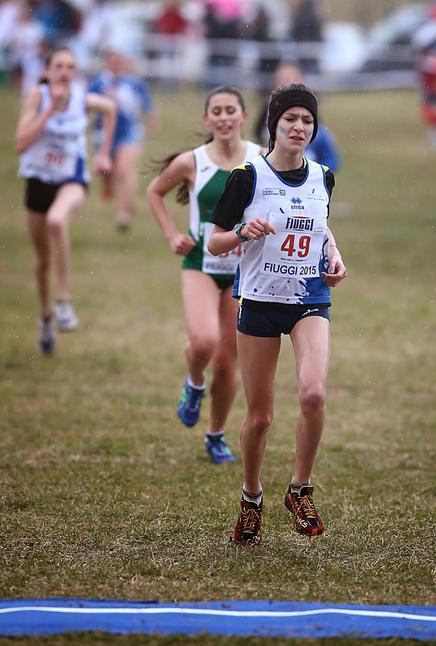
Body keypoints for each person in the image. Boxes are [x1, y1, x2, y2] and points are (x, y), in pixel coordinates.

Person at [208, 83, 347, 544]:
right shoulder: (247, 178)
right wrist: (243, 232)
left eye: (307, 120)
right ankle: (251, 498)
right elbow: (215, 240)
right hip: (261, 303)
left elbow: (319, 220)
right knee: (261, 417)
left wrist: (334, 253)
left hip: (310, 299)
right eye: (291, 119)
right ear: (275, 125)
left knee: (313, 394)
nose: (300, 127)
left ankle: (300, 488)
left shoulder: (322, 176)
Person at [146, 86, 260, 464]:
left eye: (231, 110)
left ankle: (215, 435)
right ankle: (194, 381)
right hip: (200, 264)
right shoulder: (191, 162)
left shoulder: (261, 159)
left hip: (243, 271)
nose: (224, 117)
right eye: (217, 111)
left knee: (228, 362)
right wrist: (171, 234)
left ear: (243, 117)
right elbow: (154, 192)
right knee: (203, 342)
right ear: (207, 119)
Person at [15, 47, 116, 354]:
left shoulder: (82, 99)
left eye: (71, 67)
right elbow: (20, 143)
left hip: (72, 180)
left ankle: (64, 302)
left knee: (57, 220)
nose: (65, 72)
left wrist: (102, 153)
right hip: (38, 182)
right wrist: (49, 111)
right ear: (47, 71)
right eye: (59, 66)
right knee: (42, 259)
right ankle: (45, 315)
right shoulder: (37, 97)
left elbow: (110, 109)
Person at [88, 50, 157, 230]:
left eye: (120, 61)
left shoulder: (134, 84)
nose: (117, 65)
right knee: (105, 171)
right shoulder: (99, 83)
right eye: (113, 61)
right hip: (103, 134)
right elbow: (86, 105)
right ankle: (109, 186)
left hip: (130, 132)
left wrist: (151, 123)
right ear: (107, 63)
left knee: (124, 170)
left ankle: (124, 213)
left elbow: (147, 105)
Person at [254, 63, 341, 173]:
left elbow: (332, 161)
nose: (290, 83)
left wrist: (314, 173)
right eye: (290, 119)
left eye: (307, 120)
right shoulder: (263, 121)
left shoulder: (320, 133)